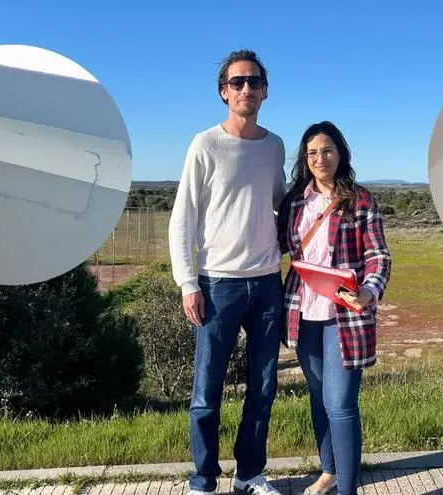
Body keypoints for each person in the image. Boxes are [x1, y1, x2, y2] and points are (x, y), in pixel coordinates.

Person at [168, 49, 288, 495]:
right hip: (218, 284)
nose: (246, 89)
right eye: (237, 82)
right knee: (206, 394)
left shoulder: (274, 146)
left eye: (254, 82)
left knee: (262, 387)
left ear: (265, 90)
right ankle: (202, 480)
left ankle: (249, 473)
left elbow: (279, 204)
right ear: (223, 91)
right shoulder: (205, 144)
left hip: (266, 282)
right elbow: (183, 217)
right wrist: (188, 282)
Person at [276, 121, 392, 495]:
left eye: (326, 151)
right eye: (311, 153)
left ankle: (347, 486)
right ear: (304, 159)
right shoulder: (295, 201)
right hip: (303, 311)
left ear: (340, 153)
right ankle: (329, 470)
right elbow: (276, 245)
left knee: (339, 402)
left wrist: (370, 291)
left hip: (345, 314)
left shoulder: (360, 200)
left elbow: (378, 255)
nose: (319, 158)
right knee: (317, 394)